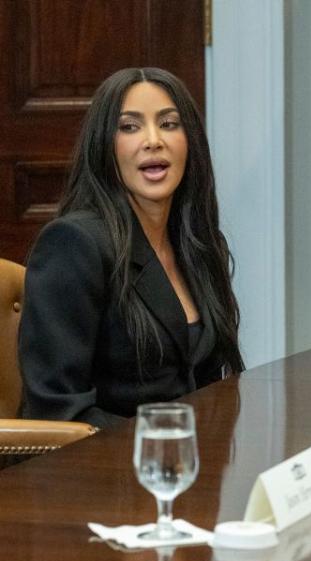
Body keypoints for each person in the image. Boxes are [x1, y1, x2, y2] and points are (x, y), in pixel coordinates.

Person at [18, 68, 244, 428]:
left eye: (169, 124)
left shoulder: (199, 244)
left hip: (186, 469)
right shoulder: (73, 244)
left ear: (191, 142)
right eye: (129, 126)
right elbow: (57, 411)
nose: (153, 140)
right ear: (104, 145)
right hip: (96, 473)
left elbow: (211, 385)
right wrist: (165, 444)